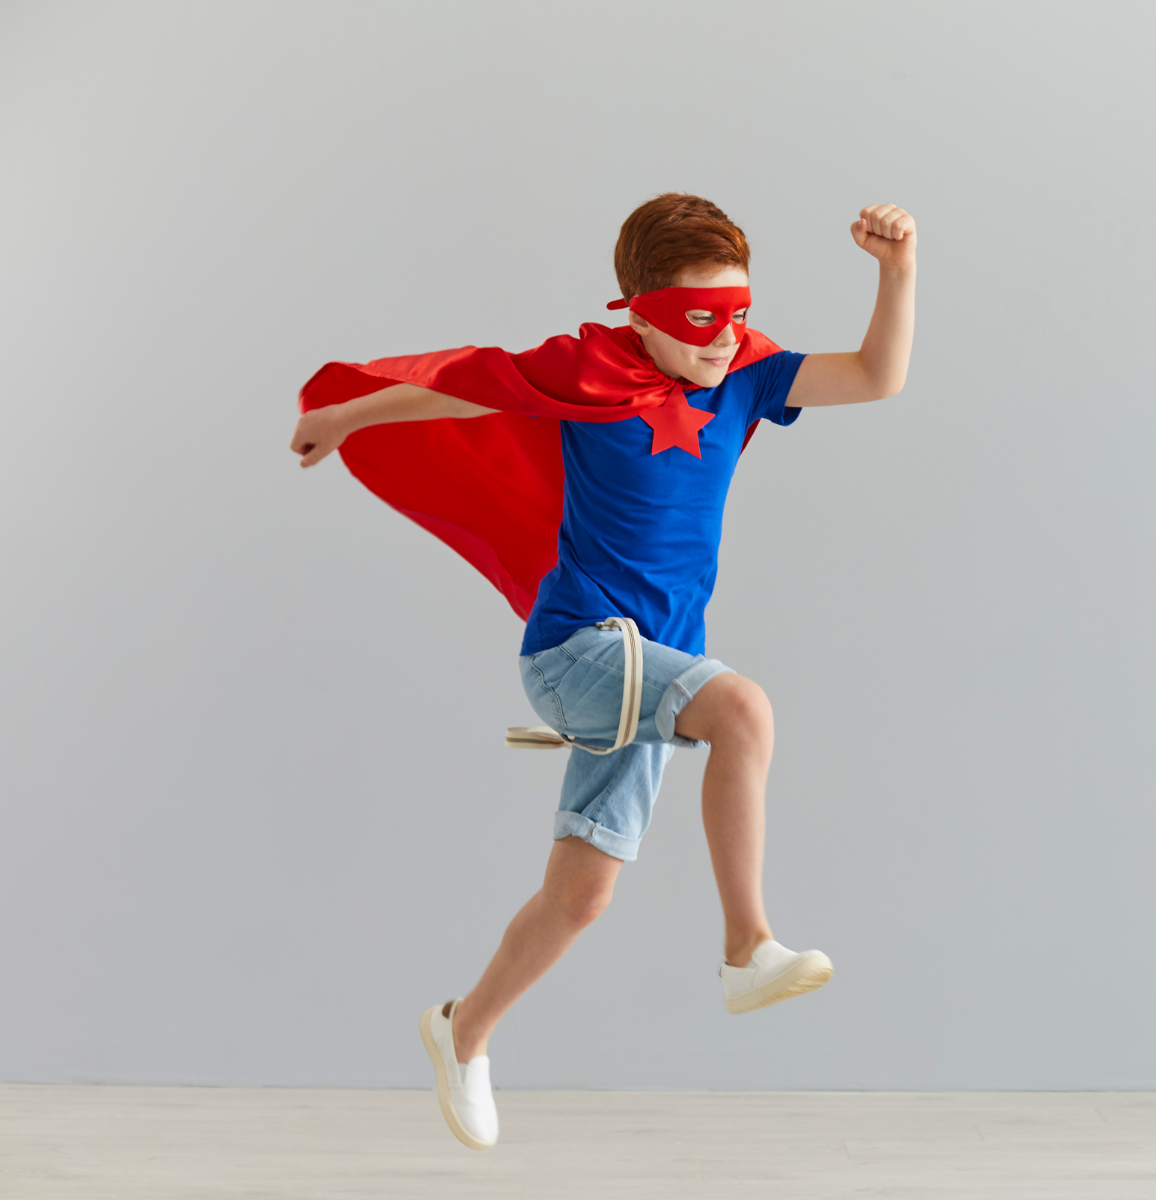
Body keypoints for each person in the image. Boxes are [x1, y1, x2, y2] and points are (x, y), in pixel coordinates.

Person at [288, 194, 916, 1149]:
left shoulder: (745, 376)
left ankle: (464, 1031)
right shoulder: (585, 370)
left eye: (734, 313)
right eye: (695, 320)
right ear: (638, 309)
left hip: (657, 666)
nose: (720, 337)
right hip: (578, 651)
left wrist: (896, 268)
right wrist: (346, 415)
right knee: (742, 710)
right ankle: (746, 947)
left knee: (584, 895)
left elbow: (877, 375)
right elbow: (462, 389)